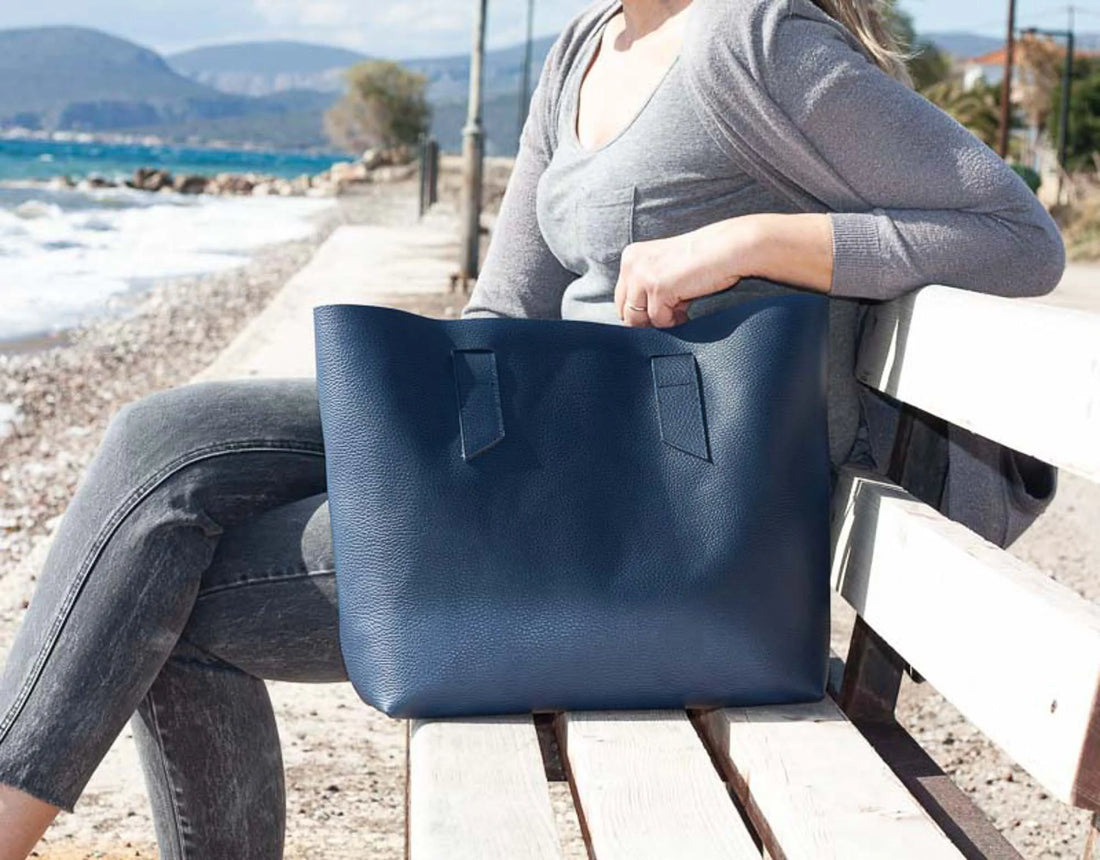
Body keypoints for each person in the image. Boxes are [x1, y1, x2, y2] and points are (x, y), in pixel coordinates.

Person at [0, 0, 1065, 857]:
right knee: (162, 438)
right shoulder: (584, 43)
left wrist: (751, 239)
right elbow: (503, 316)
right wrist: (418, 442)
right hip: (564, 431)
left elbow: (1015, 239)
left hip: (657, 502)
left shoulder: (759, 39)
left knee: (164, 587)